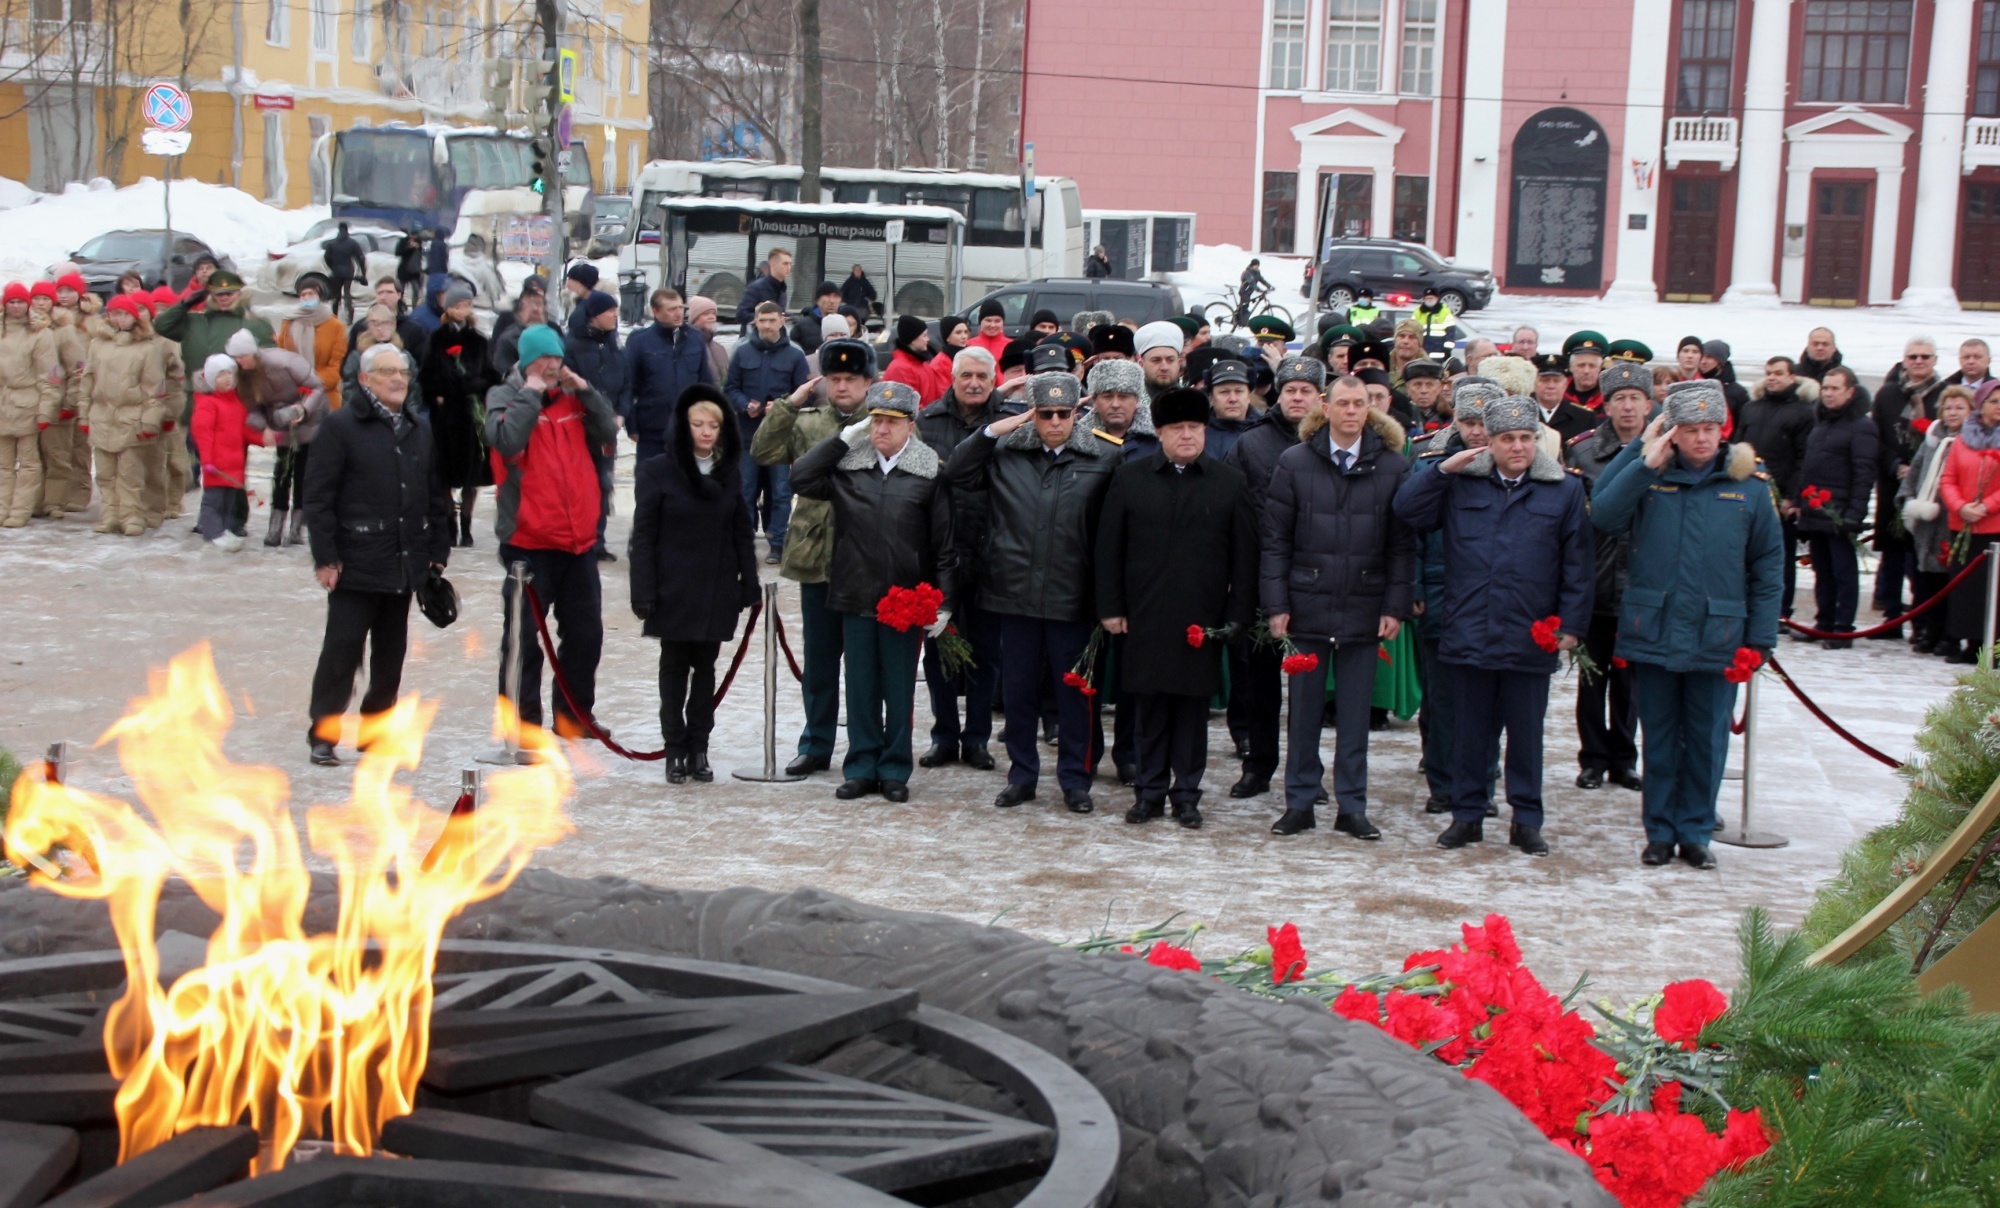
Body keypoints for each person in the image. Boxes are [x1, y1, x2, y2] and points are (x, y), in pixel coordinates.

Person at [1590, 381, 1782, 870]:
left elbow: (1767, 568)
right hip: (1653, 629)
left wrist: (1759, 639)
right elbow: (1605, 515)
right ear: (1672, 434)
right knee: (1658, 737)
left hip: (1719, 635)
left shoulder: (1749, 488)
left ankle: (1696, 831)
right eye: (1690, 430)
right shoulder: (1651, 477)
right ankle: (1659, 831)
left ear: (1724, 431)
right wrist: (1641, 456)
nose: (1701, 440)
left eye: (1709, 429)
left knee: (1706, 739)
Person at [1394, 396, 1594, 857]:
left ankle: (1526, 820)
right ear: (1491, 442)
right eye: (1508, 438)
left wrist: (1572, 625)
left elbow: (1577, 566)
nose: (1518, 446)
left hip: (1530, 633)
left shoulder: (1562, 490)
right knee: (1470, 734)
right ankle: (1467, 815)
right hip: (1469, 629)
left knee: (1525, 738)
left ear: (1537, 441)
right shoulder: (1463, 483)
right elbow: (1406, 511)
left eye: (1526, 437)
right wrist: (1443, 470)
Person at [947, 371, 1118, 814]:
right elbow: (956, 473)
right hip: (1014, 592)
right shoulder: (1005, 452)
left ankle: (1075, 781)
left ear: (1076, 412)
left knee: (1075, 696)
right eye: (1045, 414)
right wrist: (990, 431)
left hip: (1072, 596)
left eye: (1064, 413)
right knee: (1019, 694)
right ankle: (1021, 776)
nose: (1056, 422)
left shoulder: (1103, 456)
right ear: (1032, 416)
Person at [1093, 387, 1257, 828]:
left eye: (1195, 428)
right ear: (1160, 433)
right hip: (1143, 617)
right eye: (1177, 428)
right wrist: (1110, 607)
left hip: (1200, 619)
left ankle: (1186, 794)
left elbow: (1245, 557)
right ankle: (1148, 792)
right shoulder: (1131, 478)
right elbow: (1108, 549)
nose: (1187, 436)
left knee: (1190, 715)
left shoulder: (1229, 483)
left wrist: (1237, 615)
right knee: (1147, 711)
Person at [1261, 373, 1413, 838]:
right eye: (1343, 403)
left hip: (1365, 604)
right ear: (1325, 408)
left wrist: (1395, 605)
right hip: (1307, 603)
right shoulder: (1294, 461)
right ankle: (1300, 803)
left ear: (1371, 409)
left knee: (1353, 717)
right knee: (1304, 714)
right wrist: (1276, 603)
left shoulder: (1393, 466)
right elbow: (1275, 540)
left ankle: (1352, 807)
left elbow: (1401, 546)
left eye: (1360, 404)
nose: (1351, 411)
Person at [790, 381, 957, 803]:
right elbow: (801, 478)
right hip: (855, 591)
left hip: (906, 599)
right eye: (876, 421)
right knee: (860, 686)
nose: (882, 429)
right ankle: (862, 766)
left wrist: (944, 602)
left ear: (909, 425)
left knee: (899, 689)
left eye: (891, 422)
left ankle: (895, 768)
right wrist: (841, 439)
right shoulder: (849, 466)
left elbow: (944, 544)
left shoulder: (929, 472)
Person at [302, 342, 452, 767]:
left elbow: (433, 493)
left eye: (403, 371)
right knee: (342, 651)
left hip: (404, 560)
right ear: (365, 380)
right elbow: (317, 498)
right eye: (388, 371)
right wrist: (326, 558)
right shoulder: (340, 427)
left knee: (391, 654)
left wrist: (437, 550)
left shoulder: (418, 427)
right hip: (356, 560)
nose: (398, 379)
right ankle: (324, 733)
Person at [486, 326, 618, 739]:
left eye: (557, 359)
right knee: (523, 640)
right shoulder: (504, 397)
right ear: (527, 362)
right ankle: (521, 724)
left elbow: (608, 433)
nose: (553, 367)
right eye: (544, 360)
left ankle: (574, 715)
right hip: (528, 543)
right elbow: (507, 440)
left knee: (585, 635)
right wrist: (530, 392)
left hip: (577, 541)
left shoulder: (574, 399)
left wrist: (586, 391)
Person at [751, 337, 874, 775]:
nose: (842, 387)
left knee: (863, 667)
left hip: (865, 557)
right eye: (835, 379)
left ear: (867, 382)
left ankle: (865, 748)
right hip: (816, 554)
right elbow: (763, 451)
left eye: (852, 379)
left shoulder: (885, 421)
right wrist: (789, 403)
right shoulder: (806, 422)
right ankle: (816, 743)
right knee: (820, 662)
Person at [629, 384, 759, 784]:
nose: (706, 432)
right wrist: (643, 589)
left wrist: (749, 582)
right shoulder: (658, 470)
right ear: (683, 427)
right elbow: (644, 535)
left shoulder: (728, 473)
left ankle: (699, 747)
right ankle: (674, 750)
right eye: (698, 424)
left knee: (705, 669)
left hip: (715, 585)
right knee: (673, 668)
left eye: (714, 425)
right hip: (672, 587)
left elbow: (741, 531)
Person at [1222, 355, 1321, 797]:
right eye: (1290, 389)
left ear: (1321, 395)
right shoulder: (1251, 442)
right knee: (1258, 682)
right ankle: (1258, 765)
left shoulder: (1331, 439)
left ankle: (1308, 771)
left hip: (1317, 578)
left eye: (1307, 389)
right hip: (1261, 575)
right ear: (1277, 393)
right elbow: (1234, 513)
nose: (1298, 397)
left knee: (1309, 684)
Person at [914, 346, 1009, 770]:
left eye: (982, 377)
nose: (974, 383)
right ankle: (944, 736)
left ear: (994, 381)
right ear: (953, 378)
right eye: (966, 375)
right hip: (940, 553)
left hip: (991, 550)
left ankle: (977, 740)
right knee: (939, 651)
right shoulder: (928, 419)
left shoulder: (1009, 421)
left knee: (986, 653)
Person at [1411, 378, 1503, 815]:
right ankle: (1443, 783)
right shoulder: (1430, 462)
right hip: (1441, 593)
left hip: (1495, 600)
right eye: (1468, 421)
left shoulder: (1516, 466)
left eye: (1486, 422)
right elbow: (1408, 529)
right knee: (1442, 698)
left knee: (1486, 703)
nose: (1478, 432)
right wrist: (1413, 588)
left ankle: (1481, 784)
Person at [1564, 361, 1650, 793]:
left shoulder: (1663, 450)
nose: (1628, 407)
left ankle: (1624, 758)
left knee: (1630, 682)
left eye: (1636, 398)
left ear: (1649, 404)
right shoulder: (1582, 452)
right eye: (1620, 399)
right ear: (1607, 405)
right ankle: (1592, 758)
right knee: (1592, 678)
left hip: (1641, 584)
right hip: (1595, 579)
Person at [154, 270, 271, 502]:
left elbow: (266, 364)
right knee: (203, 458)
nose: (224, 298)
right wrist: (185, 304)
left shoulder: (255, 324)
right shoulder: (195, 321)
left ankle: (235, 517)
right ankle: (210, 513)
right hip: (199, 402)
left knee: (234, 462)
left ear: (240, 293)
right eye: (219, 294)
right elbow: (161, 325)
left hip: (235, 402)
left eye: (229, 293)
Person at [726, 300, 810, 564]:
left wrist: (782, 405)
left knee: (781, 492)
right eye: (762, 321)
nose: (767, 326)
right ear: (755, 322)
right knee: (746, 489)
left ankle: (777, 542)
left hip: (782, 438)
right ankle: (743, 540)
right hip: (749, 434)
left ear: (782, 321)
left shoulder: (795, 355)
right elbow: (729, 388)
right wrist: (743, 404)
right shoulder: (742, 352)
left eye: (772, 321)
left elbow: (804, 394)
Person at [1875, 337, 1948, 631]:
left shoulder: (1944, 394)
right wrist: (1895, 465)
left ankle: (1922, 621)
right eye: (1913, 356)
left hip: (1930, 486)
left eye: (1925, 356)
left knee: (1922, 554)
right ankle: (1891, 617)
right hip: (1893, 481)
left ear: (1934, 360)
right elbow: (1876, 436)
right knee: (1892, 552)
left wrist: (1918, 470)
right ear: (1904, 360)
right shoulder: (1887, 394)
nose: (1918, 361)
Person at [225, 328, 323, 547]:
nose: (239, 361)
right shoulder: (243, 375)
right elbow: (251, 407)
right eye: (236, 358)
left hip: (308, 421)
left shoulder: (284, 362)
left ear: (253, 352)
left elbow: (317, 387)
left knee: (303, 474)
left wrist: (302, 411)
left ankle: (297, 527)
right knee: (281, 473)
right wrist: (265, 427)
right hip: (279, 423)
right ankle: (275, 526)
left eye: (242, 356)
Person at [73, 293, 160, 535]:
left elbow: (154, 389)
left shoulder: (146, 348)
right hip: (101, 416)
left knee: (129, 473)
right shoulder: (98, 344)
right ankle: (110, 516)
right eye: (114, 313)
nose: (118, 318)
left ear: (133, 317)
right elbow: (87, 381)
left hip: (130, 417)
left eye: (124, 314)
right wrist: (83, 415)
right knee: (105, 474)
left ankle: (132, 517)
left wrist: (149, 422)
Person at [1739, 356, 1817, 624]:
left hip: (1781, 495)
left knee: (1779, 556)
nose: (1772, 378)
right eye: (1769, 373)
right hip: (1747, 491)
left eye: (1779, 373)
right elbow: (1738, 446)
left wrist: (1793, 497)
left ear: (1792, 377)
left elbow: (1803, 458)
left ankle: (1781, 611)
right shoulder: (1751, 407)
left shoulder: (1804, 412)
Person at [420, 283, 496, 549]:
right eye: (456, 306)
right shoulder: (437, 339)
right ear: (447, 309)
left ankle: (466, 524)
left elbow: (491, 374)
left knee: (471, 473)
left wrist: (475, 387)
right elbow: (426, 376)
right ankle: (449, 524)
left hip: (470, 415)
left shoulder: (478, 340)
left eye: (465, 305)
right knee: (445, 473)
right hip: (446, 417)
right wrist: (438, 395)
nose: (461, 310)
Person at [1902, 385, 1973, 657]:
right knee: (1925, 580)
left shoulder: (1971, 440)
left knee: (1949, 580)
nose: (1953, 413)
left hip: (1953, 518)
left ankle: (1949, 635)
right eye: (1948, 407)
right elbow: (1916, 469)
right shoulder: (1933, 437)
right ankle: (1928, 631)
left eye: (1960, 407)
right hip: (1926, 518)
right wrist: (1906, 499)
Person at [565, 290, 628, 565]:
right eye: (609, 311)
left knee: (604, 483)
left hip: (607, 429)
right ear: (594, 315)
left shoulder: (614, 347)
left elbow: (627, 383)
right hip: (580, 427)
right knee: (579, 485)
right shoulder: (573, 346)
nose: (615, 315)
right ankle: (577, 537)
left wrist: (621, 413)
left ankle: (597, 541)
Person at [190, 354, 275, 550]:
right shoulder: (208, 404)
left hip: (234, 464)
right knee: (213, 502)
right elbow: (203, 436)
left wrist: (263, 438)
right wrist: (207, 461)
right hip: (216, 466)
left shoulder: (235, 403)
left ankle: (226, 529)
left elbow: (243, 429)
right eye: (221, 375)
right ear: (211, 379)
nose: (227, 378)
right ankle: (213, 533)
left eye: (229, 373)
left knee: (229, 501)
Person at [624, 288, 713, 465]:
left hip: (688, 427)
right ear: (656, 312)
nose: (678, 313)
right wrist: (632, 425)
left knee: (686, 484)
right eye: (671, 309)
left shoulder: (694, 339)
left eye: (681, 308)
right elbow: (628, 386)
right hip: (652, 428)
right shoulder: (640, 341)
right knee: (651, 483)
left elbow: (706, 384)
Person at [39, 273, 93, 518]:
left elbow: (84, 360)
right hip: (54, 390)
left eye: (69, 291)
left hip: (81, 386)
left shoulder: (89, 321)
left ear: (80, 293)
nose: (63, 296)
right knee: (56, 449)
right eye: (59, 291)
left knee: (79, 448)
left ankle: (80, 490)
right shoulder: (48, 321)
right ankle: (52, 495)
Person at [276, 280, 349, 413]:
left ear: (319, 296)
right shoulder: (289, 323)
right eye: (303, 294)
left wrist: (311, 382)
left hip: (326, 396)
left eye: (311, 293)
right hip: (294, 395)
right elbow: (281, 357)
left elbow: (337, 365)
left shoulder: (335, 326)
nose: (307, 297)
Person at [342, 304, 416, 408]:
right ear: (368, 326)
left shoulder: (403, 355)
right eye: (375, 323)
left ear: (394, 325)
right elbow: (350, 390)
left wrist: (410, 417)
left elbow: (412, 390)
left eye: (386, 323)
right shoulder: (357, 356)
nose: (380, 329)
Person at [352, 278, 430, 367]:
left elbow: (423, 363)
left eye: (389, 292)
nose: (383, 297)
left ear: (399, 295)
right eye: (380, 293)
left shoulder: (413, 329)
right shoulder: (361, 326)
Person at [489, 287, 553, 381]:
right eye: (529, 305)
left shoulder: (553, 336)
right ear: (519, 313)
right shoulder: (509, 340)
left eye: (539, 304)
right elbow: (503, 375)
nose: (535, 309)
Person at [1530, 354, 1596, 444]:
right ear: (1534, 383)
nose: (1551, 386)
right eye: (1545, 380)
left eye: (1557, 381)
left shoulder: (1584, 417)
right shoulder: (1524, 413)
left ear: (1565, 385)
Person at [1204, 357, 1257, 460]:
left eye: (1239, 391)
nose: (1233, 399)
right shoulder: (1198, 434)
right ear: (1211, 398)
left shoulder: (1264, 433)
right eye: (1224, 392)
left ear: (1249, 396)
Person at [885, 314, 944, 399]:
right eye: (924, 335)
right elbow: (906, 404)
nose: (928, 339)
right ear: (913, 340)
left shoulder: (923, 365)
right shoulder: (899, 368)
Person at [319, 222, 367, 322]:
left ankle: (334, 316)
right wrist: (363, 273)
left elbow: (326, 257)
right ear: (347, 229)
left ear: (339, 229)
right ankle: (350, 315)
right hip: (349, 271)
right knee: (347, 293)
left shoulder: (332, 243)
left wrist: (332, 267)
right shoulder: (352, 243)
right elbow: (360, 258)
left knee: (336, 295)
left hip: (336, 271)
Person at [687, 296, 732, 402]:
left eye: (713, 313)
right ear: (695, 317)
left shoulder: (719, 348)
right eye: (706, 314)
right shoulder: (687, 347)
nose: (712, 317)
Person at [734, 246, 793, 328]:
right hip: (754, 338)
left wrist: (792, 318)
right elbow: (741, 315)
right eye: (785, 263)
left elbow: (779, 313)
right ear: (773, 265)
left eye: (790, 264)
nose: (789, 267)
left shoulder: (782, 289)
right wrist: (765, 318)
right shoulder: (756, 287)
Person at [1561, 332, 1607, 412]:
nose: (1586, 371)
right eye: (1581, 365)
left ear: (1600, 368)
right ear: (1570, 367)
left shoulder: (1609, 398)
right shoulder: (1558, 395)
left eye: (1592, 366)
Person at [560, 263, 599, 337]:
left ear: (581, 283)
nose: (567, 284)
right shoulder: (578, 303)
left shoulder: (595, 307)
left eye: (571, 279)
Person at [1412, 288, 1454, 353]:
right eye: (1427, 298)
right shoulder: (1418, 312)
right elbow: (1412, 330)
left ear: (1437, 298)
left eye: (1431, 298)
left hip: (1439, 351)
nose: (1429, 300)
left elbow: (1451, 332)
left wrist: (1448, 349)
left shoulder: (1445, 312)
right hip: (1421, 351)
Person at [393, 229, 427, 308]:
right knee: (400, 291)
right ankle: (400, 307)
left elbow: (424, 252)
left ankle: (414, 307)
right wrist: (409, 248)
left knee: (416, 291)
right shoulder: (403, 241)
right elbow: (397, 252)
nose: (414, 237)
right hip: (404, 271)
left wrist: (418, 247)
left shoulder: (419, 242)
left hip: (415, 272)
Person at [1237, 258, 1272, 324]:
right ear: (1252, 265)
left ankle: (1242, 320)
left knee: (1245, 305)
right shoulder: (1247, 272)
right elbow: (1252, 282)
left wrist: (1269, 286)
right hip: (1244, 291)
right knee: (1244, 306)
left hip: (1249, 292)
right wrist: (1258, 289)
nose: (1257, 267)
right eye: (1256, 265)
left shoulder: (1257, 272)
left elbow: (1262, 280)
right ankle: (1241, 321)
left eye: (1258, 265)